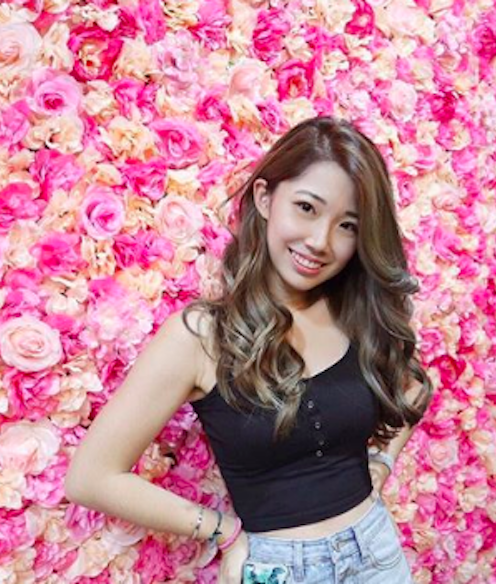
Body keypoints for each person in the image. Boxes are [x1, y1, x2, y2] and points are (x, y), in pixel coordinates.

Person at [64, 116, 434, 583]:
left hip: (377, 555)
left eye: (347, 226)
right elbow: (91, 476)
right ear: (264, 197)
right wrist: (221, 531)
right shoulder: (201, 336)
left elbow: (413, 384)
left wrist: (382, 462)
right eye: (306, 207)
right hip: (280, 569)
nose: (320, 241)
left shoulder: (353, 314)